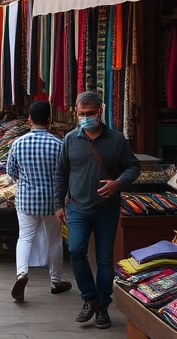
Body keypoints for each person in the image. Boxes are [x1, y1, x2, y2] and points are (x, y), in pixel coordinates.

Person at [55, 91, 141, 329]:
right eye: (81, 114)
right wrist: (58, 205)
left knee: (104, 260)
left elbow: (133, 167)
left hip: (107, 209)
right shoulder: (71, 139)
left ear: (100, 112)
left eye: (89, 114)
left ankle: (103, 306)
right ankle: (90, 299)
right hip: (76, 208)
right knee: (76, 251)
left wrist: (118, 183)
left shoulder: (116, 139)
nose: (84, 118)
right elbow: (61, 173)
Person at [6, 101, 71, 302]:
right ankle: (55, 281)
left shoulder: (18, 143)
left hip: (26, 201)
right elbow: (66, 174)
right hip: (53, 202)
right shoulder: (59, 144)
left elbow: (11, 172)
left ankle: (22, 273)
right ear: (49, 121)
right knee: (54, 239)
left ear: (29, 120)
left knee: (25, 237)